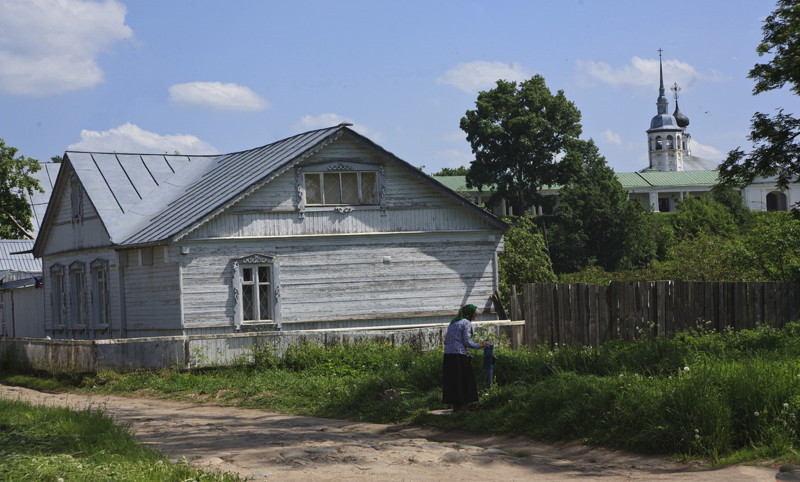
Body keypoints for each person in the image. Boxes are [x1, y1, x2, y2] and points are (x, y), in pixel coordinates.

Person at [442, 304, 489, 412]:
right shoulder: (466, 322)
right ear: (469, 314)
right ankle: (463, 407)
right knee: (464, 380)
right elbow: (467, 342)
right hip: (459, 355)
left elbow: (447, 340)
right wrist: (480, 345)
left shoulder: (453, 322)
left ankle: (456, 407)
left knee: (453, 381)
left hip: (448, 355)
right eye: (474, 315)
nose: (474, 318)